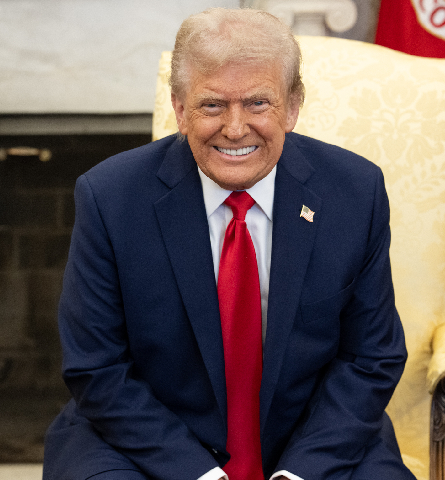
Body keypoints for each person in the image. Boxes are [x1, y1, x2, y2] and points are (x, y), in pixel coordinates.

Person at [42, 8, 414, 480]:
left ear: (293, 106)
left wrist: (301, 472)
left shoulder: (355, 192)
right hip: (145, 439)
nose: (235, 129)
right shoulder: (109, 197)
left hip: (315, 439)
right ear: (180, 109)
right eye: (212, 105)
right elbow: (96, 368)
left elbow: (370, 357)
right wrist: (200, 474)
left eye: (258, 103)